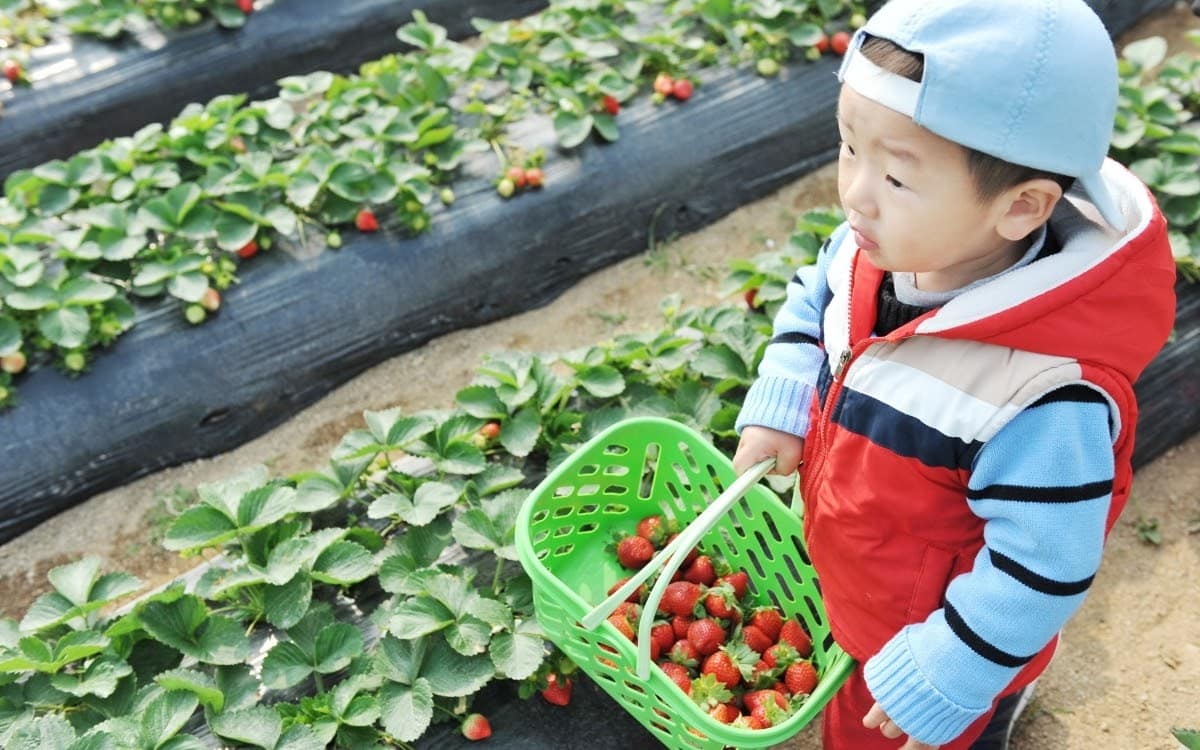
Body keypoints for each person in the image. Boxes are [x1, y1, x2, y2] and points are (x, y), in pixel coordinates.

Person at [731, 0, 1178, 748]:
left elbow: (1048, 564)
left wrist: (950, 671)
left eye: (897, 178)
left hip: (940, 646)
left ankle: (998, 697)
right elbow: (821, 291)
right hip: (875, 580)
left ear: (1021, 207)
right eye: (848, 148)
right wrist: (784, 391)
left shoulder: (1038, 397)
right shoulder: (880, 245)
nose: (855, 193)